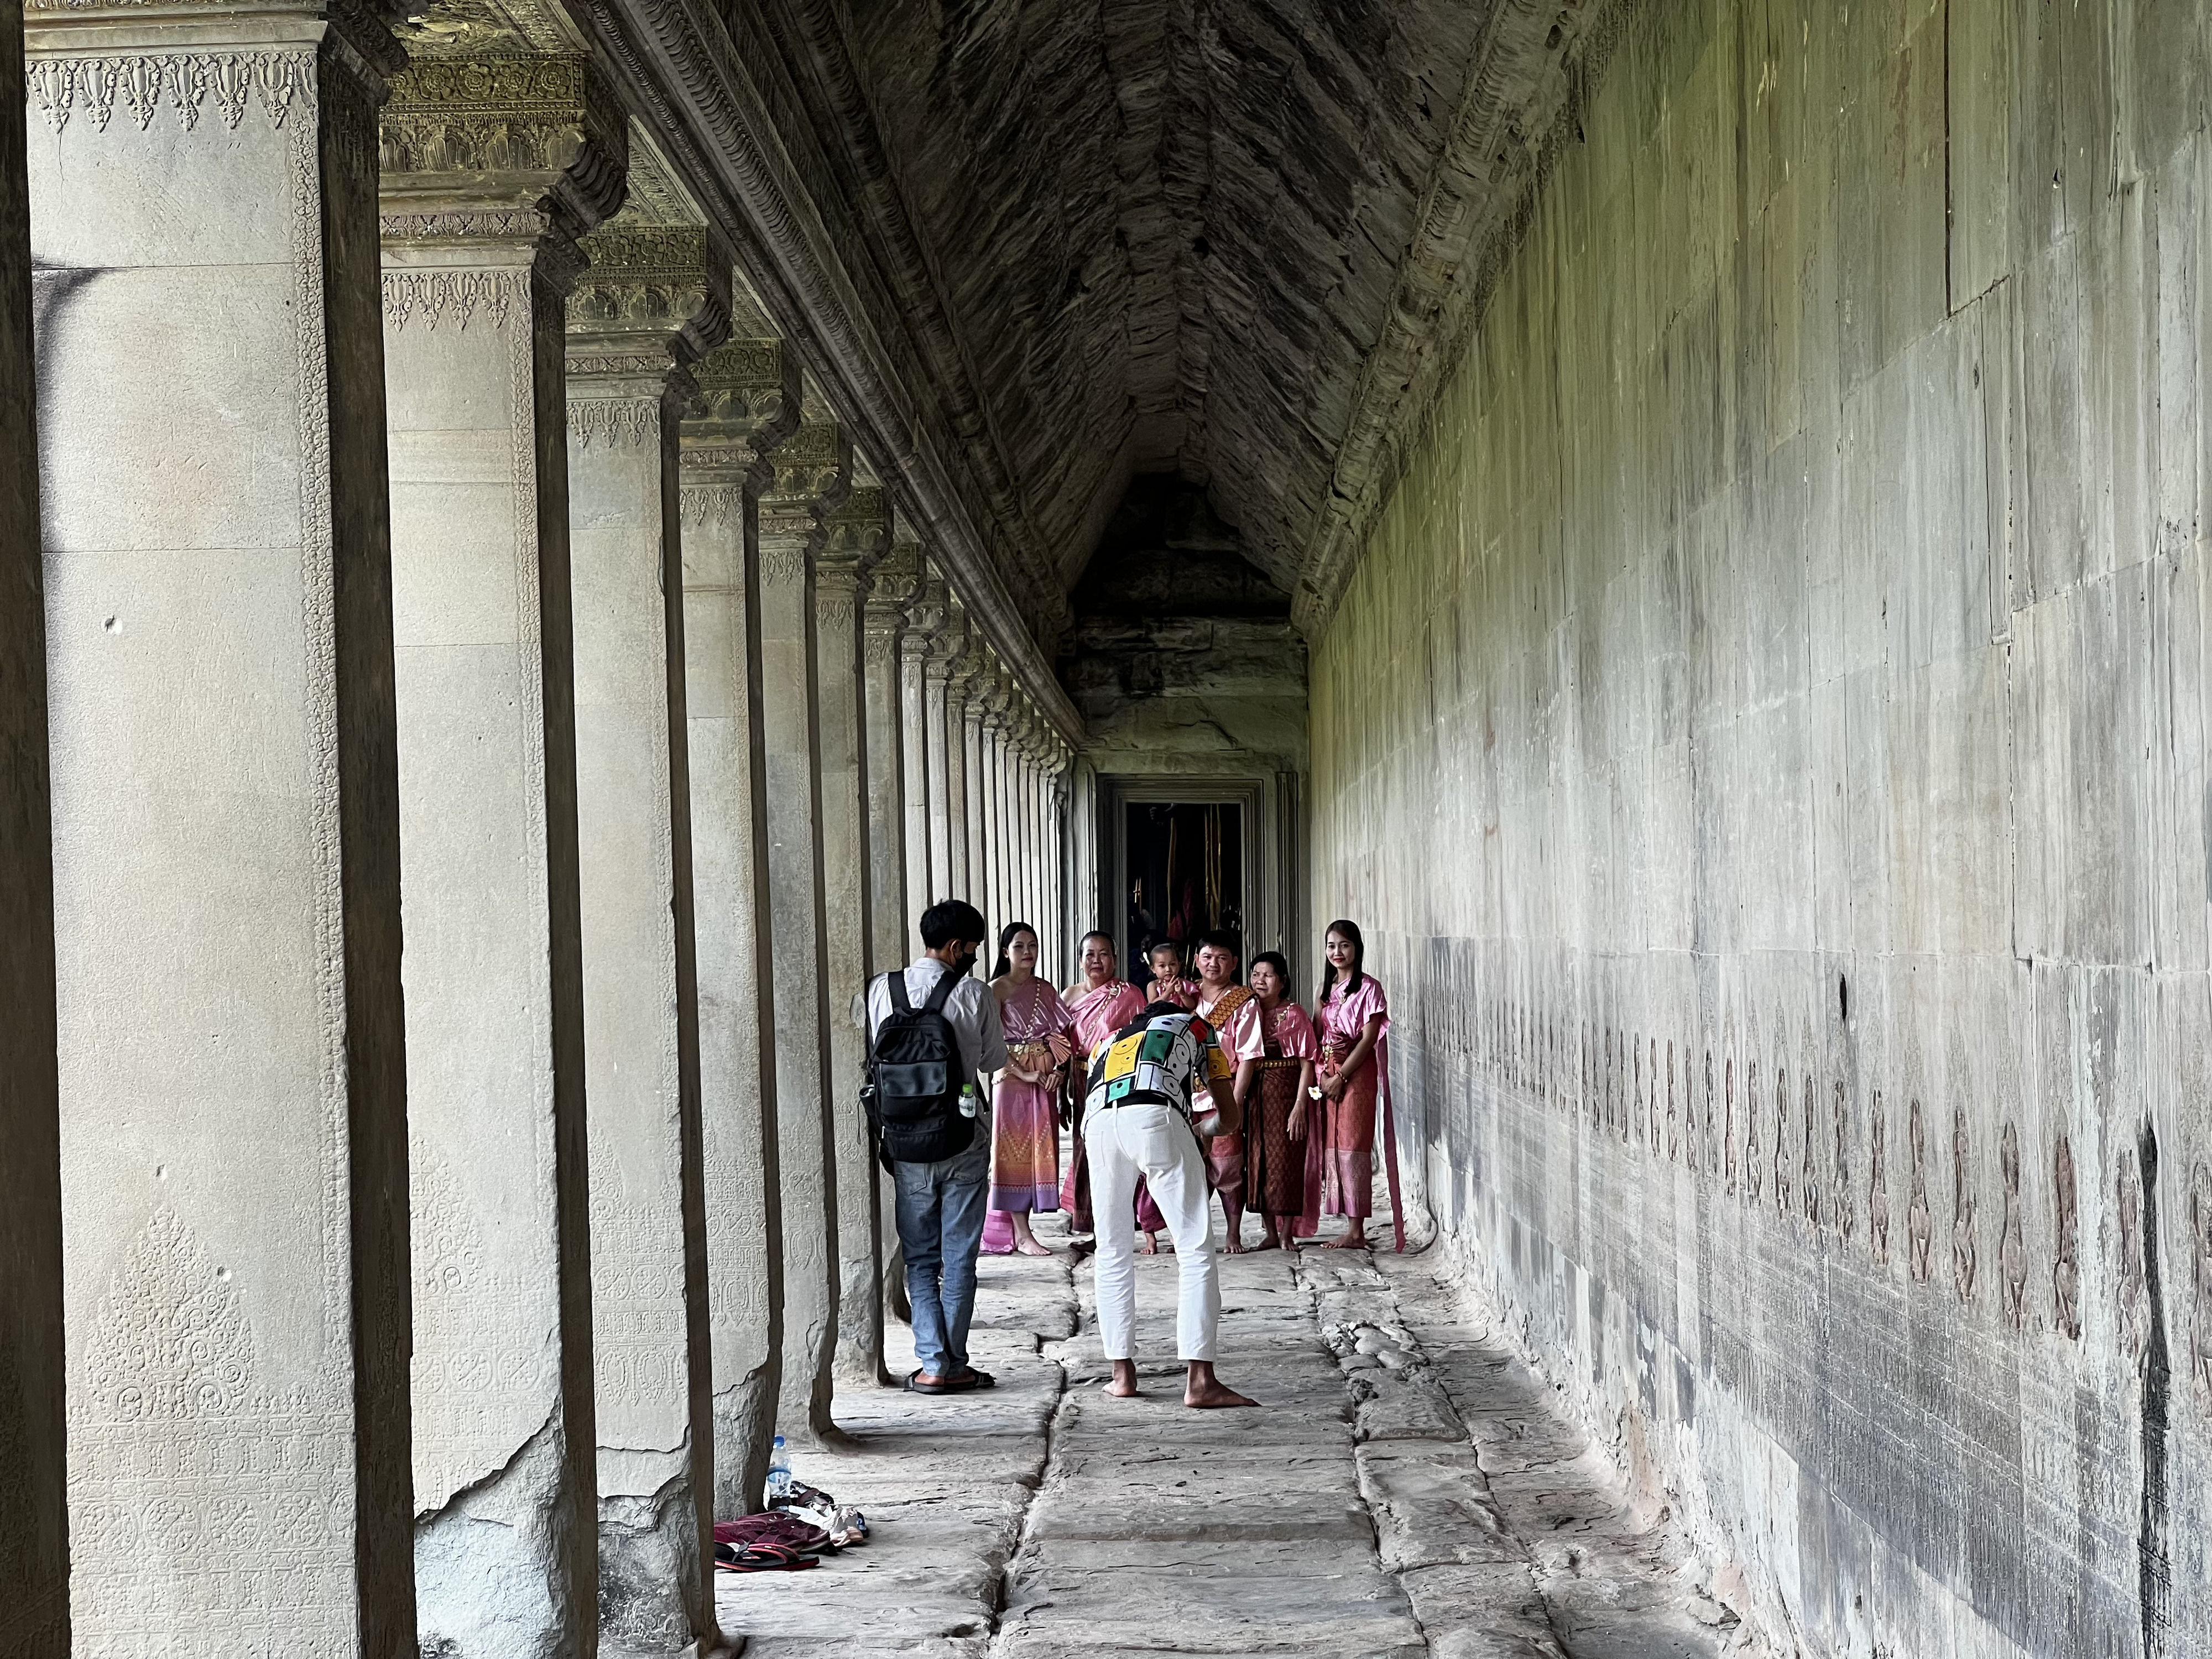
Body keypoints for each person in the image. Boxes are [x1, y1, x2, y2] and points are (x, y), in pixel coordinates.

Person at [861, 899, 1007, 1392]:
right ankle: (955, 1361)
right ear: (956, 946)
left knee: (920, 1257)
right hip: (963, 1135)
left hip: (905, 1140)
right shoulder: (973, 994)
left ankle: (932, 1363)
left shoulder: (883, 988)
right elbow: (990, 1062)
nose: (974, 957)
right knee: (959, 1254)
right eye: (973, 949)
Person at [1083, 999, 1258, 1408]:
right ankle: (1200, 1381)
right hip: (1155, 1115)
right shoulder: (1198, 1029)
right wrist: (1200, 1129)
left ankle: (1122, 1375)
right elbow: (1229, 1118)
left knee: (1111, 1250)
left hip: (1099, 1125)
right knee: (1195, 1248)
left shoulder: (1108, 1041)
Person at [1058, 932, 1166, 1251]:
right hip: (1081, 1081)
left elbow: (1143, 1037)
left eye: (1104, 954)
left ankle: (1131, 1221)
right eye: (1090, 954)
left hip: (1116, 1079)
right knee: (1088, 1151)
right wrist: (1060, 1093)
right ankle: (1096, 1225)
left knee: (1118, 1149)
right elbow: (1064, 1048)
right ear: (1080, 960)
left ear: (1115, 960)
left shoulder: (1130, 995)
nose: (1096, 961)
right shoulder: (1069, 997)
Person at [980, 922, 1072, 1257]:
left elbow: (1064, 1037)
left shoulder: (1046, 989)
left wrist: (1057, 1073)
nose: (1028, 952)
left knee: (1039, 1150)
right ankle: (1021, 1232)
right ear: (1005, 951)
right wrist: (1022, 1072)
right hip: (1011, 1079)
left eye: (1033, 945)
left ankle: (1025, 1226)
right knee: (1013, 1151)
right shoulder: (996, 989)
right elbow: (989, 1042)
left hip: (1044, 1075)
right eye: (1019, 946)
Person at [1316, 919, 1403, 1251]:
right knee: (1335, 1144)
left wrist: (1341, 1077)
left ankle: (1356, 1230)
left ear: (1357, 949)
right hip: (1330, 1071)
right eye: (1331, 946)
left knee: (1355, 1144)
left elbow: (1368, 1039)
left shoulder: (1370, 988)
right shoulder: (1324, 992)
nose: (1337, 952)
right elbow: (1318, 1036)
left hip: (1357, 1073)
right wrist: (1324, 1075)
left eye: (1345, 945)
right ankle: (1346, 1221)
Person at [1191, 930, 1264, 1252]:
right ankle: (1194, 1233)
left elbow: (1250, 1055)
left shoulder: (1243, 1002)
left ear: (1235, 963)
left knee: (1228, 1165)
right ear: (1196, 961)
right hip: (1186, 1092)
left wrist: (1234, 1103)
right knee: (1190, 1164)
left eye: (1222, 958)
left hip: (1224, 1089)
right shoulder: (1186, 998)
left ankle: (1233, 1232)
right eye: (1207, 957)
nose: (1213, 964)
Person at [1244, 951, 1318, 1249]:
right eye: (1255, 975)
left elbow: (1308, 1062)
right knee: (1258, 1160)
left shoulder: (1294, 1014)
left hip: (1287, 1094)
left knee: (1287, 1161)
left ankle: (1287, 1231)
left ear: (1283, 981)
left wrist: (1301, 1106)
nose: (1260, 981)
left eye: (1268, 975)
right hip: (1257, 1094)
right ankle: (1270, 1233)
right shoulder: (1247, 1012)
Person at [1141, 938, 1199, 1010]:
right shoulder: (1154, 986)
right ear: (1153, 969)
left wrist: (1183, 994)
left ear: (1179, 965)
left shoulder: (1184, 984)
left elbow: (1192, 1006)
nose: (1168, 969)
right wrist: (1167, 992)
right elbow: (1151, 1008)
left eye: (1172, 964)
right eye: (1162, 966)